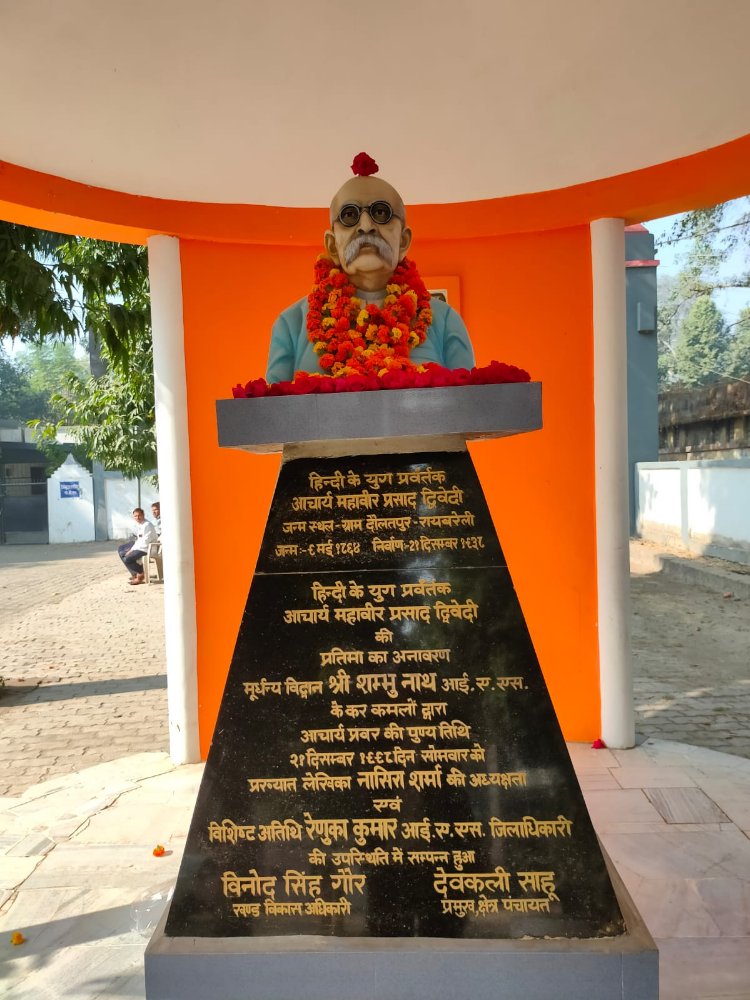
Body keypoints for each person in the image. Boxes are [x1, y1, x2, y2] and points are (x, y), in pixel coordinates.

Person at [265, 153, 474, 384]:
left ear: (403, 241)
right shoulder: (292, 324)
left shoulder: (445, 322)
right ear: (332, 245)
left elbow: (470, 403)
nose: (366, 226)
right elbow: (275, 406)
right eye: (349, 216)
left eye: (381, 213)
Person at [117, 507, 158, 586]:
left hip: (148, 548)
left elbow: (145, 542)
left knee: (127, 558)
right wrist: (132, 549)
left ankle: (140, 575)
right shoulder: (140, 524)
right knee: (121, 549)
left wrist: (132, 550)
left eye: (139, 515)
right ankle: (134, 574)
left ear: (143, 515)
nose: (137, 518)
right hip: (141, 545)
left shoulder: (147, 525)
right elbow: (139, 539)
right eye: (135, 516)